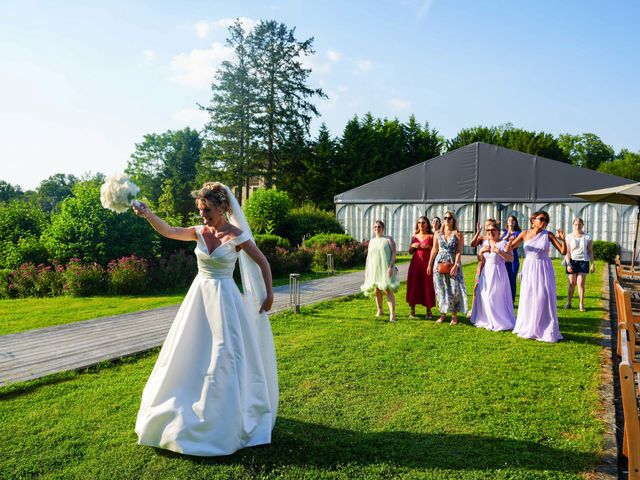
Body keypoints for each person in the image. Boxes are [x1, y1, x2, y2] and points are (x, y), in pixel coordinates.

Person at [133, 182, 278, 456]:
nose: (203, 216)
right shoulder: (198, 232)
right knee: (189, 353)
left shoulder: (237, 235)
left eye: (208, 210)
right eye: (200, 210)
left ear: (223, 207)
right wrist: (149, 214)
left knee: (224, 355)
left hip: (226, 302)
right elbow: (170, 231)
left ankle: (223, 419)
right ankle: (183, 409)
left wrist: (269, 293)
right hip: (199, 299)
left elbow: (263, 262)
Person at [510, 210, 566, 343]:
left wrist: (563, 240)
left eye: (546, 220)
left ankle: (544, 327)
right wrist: (509, 241)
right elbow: (510, 247)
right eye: (541, 219)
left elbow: (563, 251)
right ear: (533, 220)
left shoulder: (548, 235)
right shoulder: (524, 233)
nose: (544, 222)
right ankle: (528, 325)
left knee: (543, 296)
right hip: (529, 267)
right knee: (528, 295)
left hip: (543, 268)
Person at [470, 219, 516, 331]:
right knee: (484, 295)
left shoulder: (504, 243)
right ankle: (486, 319)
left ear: (498, 231)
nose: (490, 232)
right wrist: (480, 252)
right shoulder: (485, 243)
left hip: (499, 273)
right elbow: (480, 259)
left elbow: (511, 259)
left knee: (494, 297)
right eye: (488, 230)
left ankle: (498, 320)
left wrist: (498, 251)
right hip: (486, 273)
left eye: (493, 230)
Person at [427, 211, 468, 325]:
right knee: (441, 289)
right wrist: (430, 264)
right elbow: (434, 249)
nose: (447, 220)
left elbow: (459, 251)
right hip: (438, 264)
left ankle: (454, 316)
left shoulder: (458, 234)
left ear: (454, 219)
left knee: (454, 289)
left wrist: (456, 264)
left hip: (452, 263)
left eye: (449, 218)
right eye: (445, 218)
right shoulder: (438, 233)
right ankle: (443, 314)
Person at [361, 220, 399, 322]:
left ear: (383, 228)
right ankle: (380, 310)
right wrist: (367, 270)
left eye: (379, 227)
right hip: (374, 268)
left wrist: (391, 266)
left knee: (387, 290)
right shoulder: (372, 241)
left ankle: (392, 314)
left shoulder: (388, 239)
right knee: (377, 289)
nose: (377, 229)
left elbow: (394, 253)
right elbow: (369, 257)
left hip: (385, 269)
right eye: (375, 227)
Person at [406, 216, 436, 319]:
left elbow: (436, 250)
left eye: (423, 223)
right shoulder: (414, 236)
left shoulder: (431, 236)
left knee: (427, 285)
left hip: (427, 264)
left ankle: (428, 310)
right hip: (415, 264)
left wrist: (429, 247)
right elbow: (410, 252)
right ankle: (412, 310)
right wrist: (412, 246)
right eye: (419, 223)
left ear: (427, 224)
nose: (421, 225)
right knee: (414, 284)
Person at [564, 217, 595, 311]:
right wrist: (568, 263)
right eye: (576, 224)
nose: (577, 226)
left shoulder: (588, 237)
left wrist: (593, 264)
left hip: (583, 261)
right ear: (573, 225)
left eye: (579, 224)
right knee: (571, 283)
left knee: (580, 283)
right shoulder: (568, 237)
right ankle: (569, 302)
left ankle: (581, 304)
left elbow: (590, 251)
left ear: (582, 225)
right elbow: (567, 252)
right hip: (572, 261)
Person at [500, 215, 522, 303]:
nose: (511, 221)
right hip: (502, 258)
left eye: (513, 220)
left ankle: (511, 301)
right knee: (503, 280)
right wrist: (507, 237)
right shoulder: (503, 231)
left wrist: (511, 241)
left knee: (512, 280)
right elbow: (498, 241)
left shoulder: (518, 233)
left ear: (515, 222)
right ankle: (502, 300)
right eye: (509, 220)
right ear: (507, 222)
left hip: (513, 258)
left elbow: (514, 246)